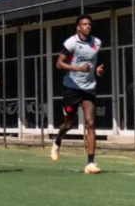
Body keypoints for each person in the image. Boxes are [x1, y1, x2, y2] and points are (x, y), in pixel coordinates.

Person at [51, 14, 105, 174]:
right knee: (68, 124)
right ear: (78, 27)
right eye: (84, 24)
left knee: (90, 123)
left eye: (89, 24)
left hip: (88, 88)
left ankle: (90, 163)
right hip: (71, 88)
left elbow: (94, 63)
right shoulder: (71, 43)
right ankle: (58, 140)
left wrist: (98, 71)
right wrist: (79, 69)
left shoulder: (97, 43)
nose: (88, 26)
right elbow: (59, 64)